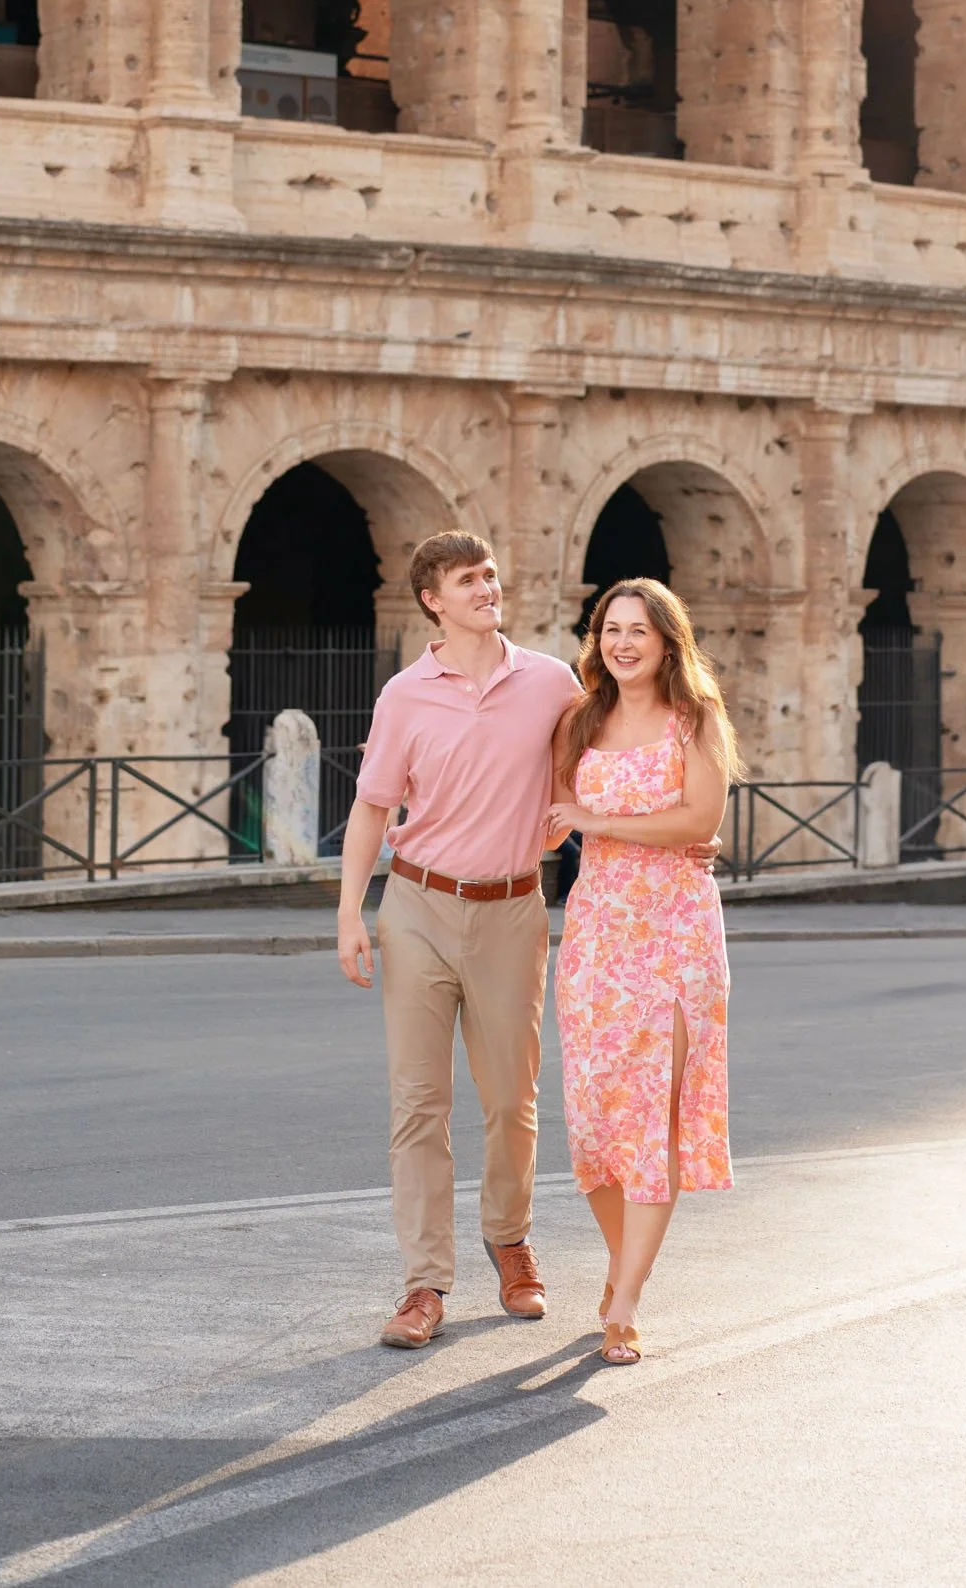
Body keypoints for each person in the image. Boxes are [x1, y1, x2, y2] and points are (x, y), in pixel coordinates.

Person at [336, 530, 580, 1350]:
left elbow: (592, 772)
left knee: (512, 1098)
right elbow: (373, 806)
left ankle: (508, 1240)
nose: (488, 587)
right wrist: (346, 914)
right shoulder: (405, 694)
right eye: (468, 579)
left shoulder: (551, 682)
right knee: (419, 1104)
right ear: (432, 600)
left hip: (512, 912)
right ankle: (423, 1284)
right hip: (416, 909)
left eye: (491, 575)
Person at [548, 576, 742, 1365]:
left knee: (652, 1118)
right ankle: (620, 1263)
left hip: (674, 937)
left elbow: (700, 818)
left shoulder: (696, 719)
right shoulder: (578, 719)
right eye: (610, 629)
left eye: (638, 630)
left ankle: (624, 1303)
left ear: (668, 641)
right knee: (595, 1117)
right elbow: (548, 815)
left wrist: (602, 821)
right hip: (596, 934)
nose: (622, 643)